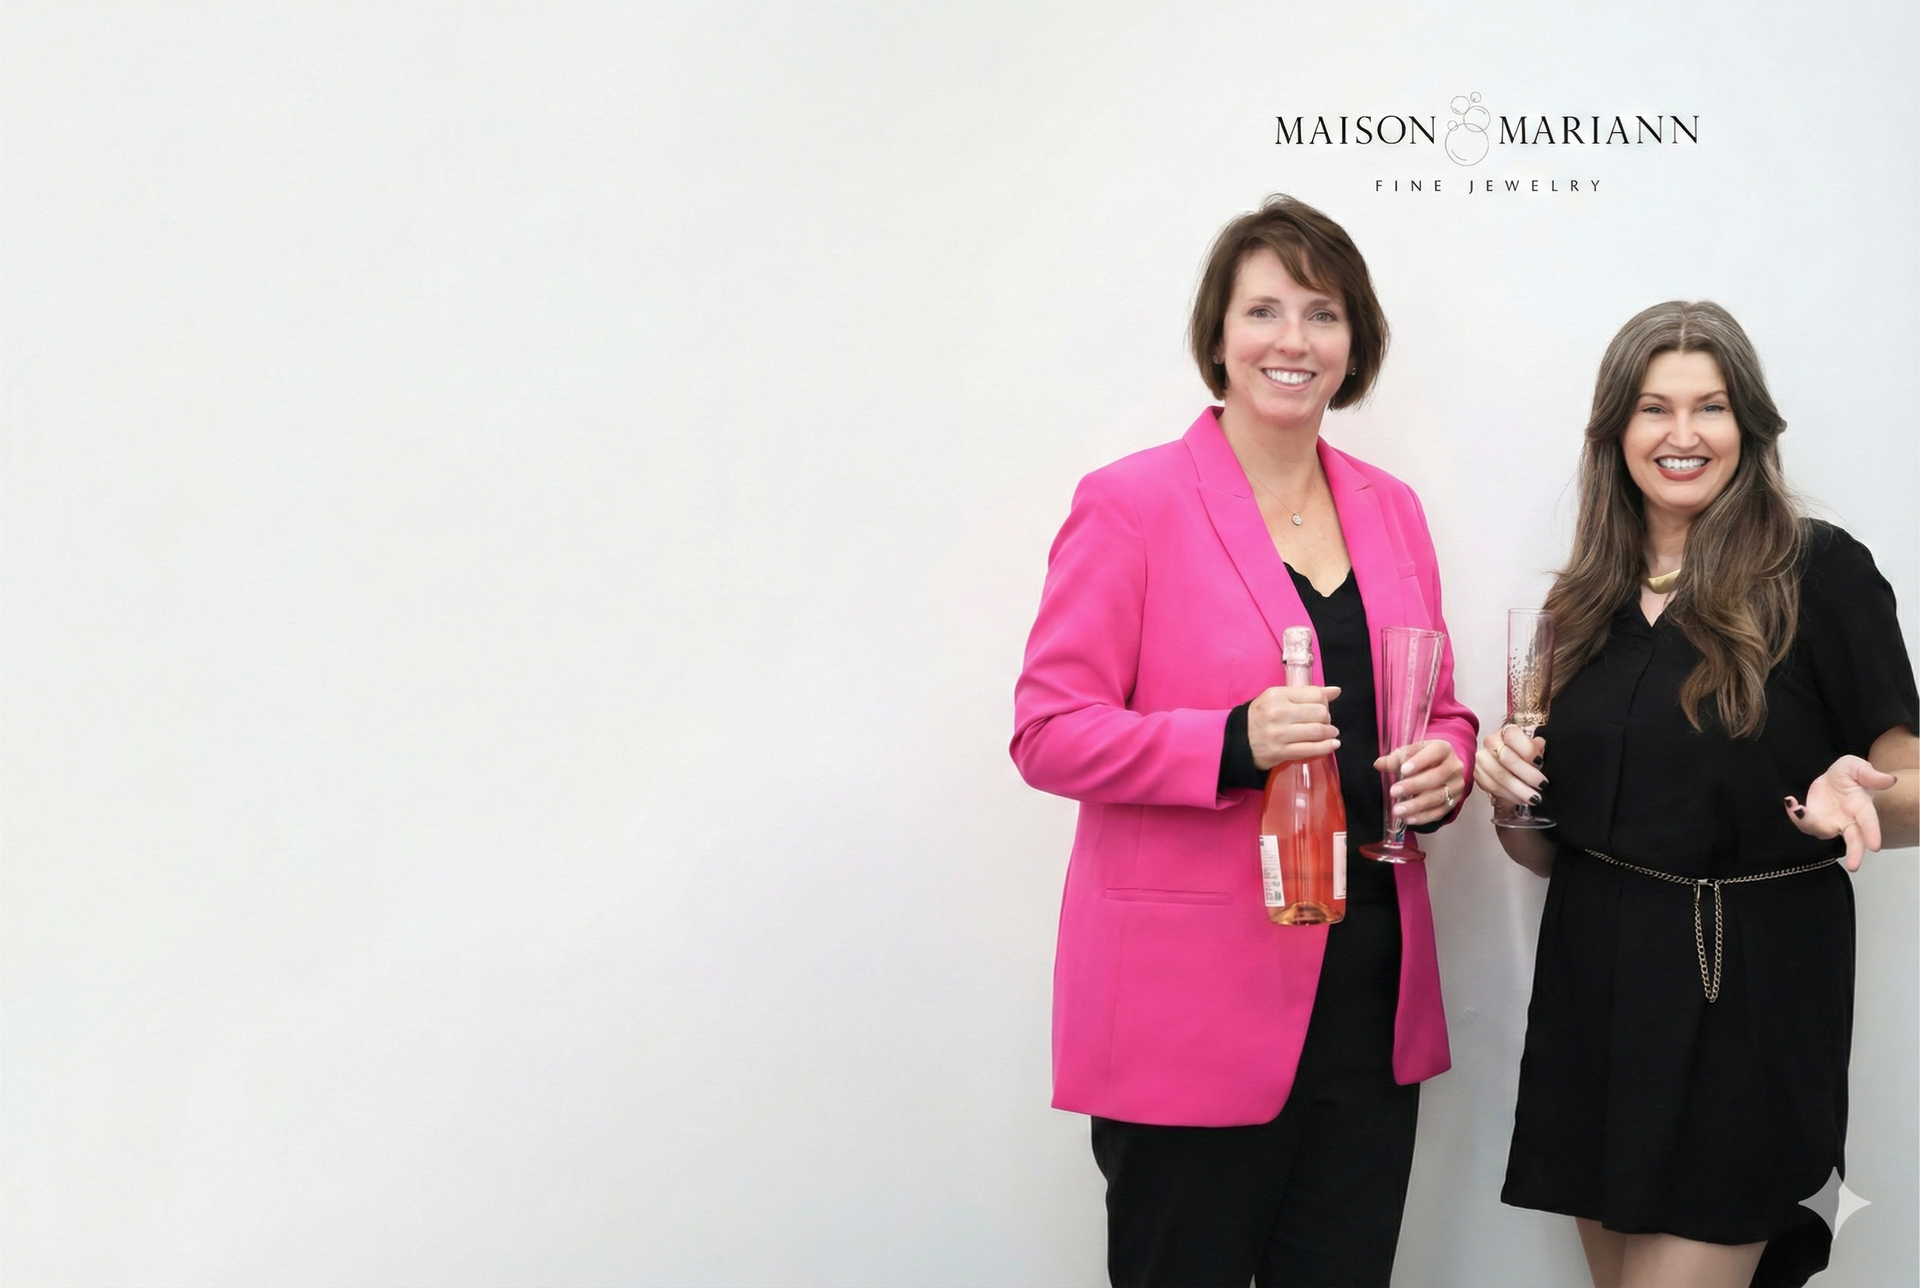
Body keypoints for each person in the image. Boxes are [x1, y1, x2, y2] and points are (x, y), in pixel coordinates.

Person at [1011, 194, 1478, 1287]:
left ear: (1354, 342)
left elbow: (1438, 705)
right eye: (1263, 310)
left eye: (1323, 313)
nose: (1292, 339)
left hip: (1367, 994)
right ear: (1217, 336)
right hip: (1188, 1010)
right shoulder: (1131, 503)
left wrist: (1448, 761)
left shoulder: (1393, 510)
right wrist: (1230, 740)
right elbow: (1048, 730)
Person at [1479, 301, 1919, 1288]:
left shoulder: (1821, 571)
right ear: (1615, 431)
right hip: (1594, 986)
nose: (1683, 434)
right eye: (1654, 408)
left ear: (1748, 424)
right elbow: (1545, 850)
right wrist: (1508, 795)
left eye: (1710, 406)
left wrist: (1851, 802)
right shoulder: (1577, 605)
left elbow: (1915, 785)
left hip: (1748, 991)